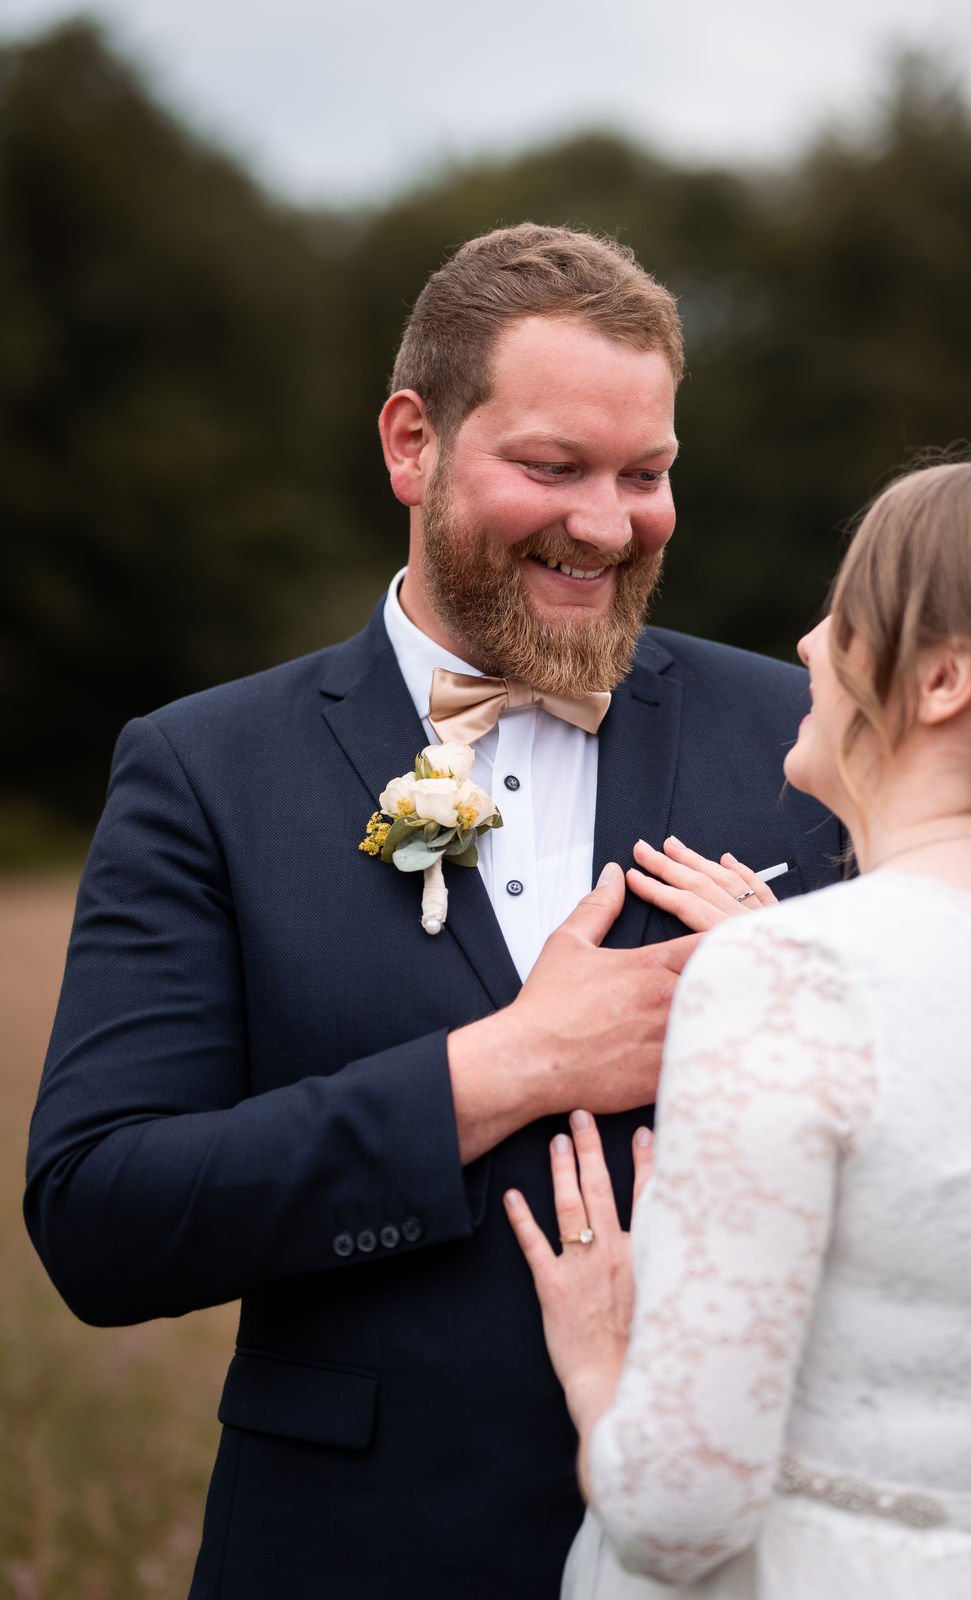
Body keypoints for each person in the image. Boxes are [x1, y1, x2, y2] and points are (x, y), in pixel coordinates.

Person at [25, 223, 840, 1599]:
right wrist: (508, 1066)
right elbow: (104, 1216)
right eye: (550, 468)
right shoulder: (207, 769)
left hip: (754, 1546)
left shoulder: (808, 736)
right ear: (411, 443)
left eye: (644, 475)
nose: (605, 522)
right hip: (357, 1548)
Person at [506, 455, 971, 1598]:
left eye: (848, 611)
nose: (807, 643)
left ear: (945, 677)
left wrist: (603, 1361)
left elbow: (679, 1513)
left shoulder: (789, 973)